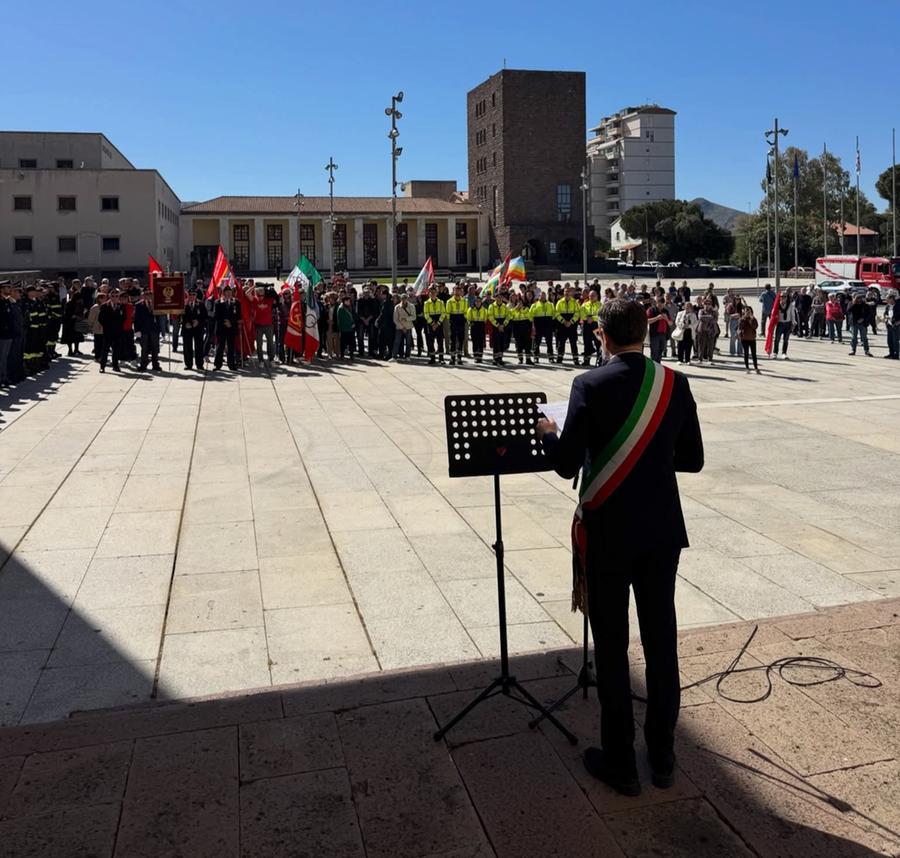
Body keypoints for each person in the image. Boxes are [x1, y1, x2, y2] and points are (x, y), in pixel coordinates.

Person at [536, 298, 704, 797]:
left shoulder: (588, 384)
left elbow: (566, 465)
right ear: (645, 332)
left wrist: (550, 433)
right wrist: (648, 459)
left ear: (601, 336)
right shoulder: (675, 383)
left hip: (609, 532)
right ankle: (663, 755)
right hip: (660, 532)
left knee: (612, 648)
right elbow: (691, 459)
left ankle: (620, 763)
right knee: (661, 644)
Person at [134, 290, 164, 372]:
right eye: (146, 294)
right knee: (144, 348)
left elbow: (160, 316)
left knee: (155, 347)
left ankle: (155, 364)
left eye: (150, 294)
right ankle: (143, 364)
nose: (148, 296)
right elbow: (136, 319)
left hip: (154, 329)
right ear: (143, 295)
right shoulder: (139, 305)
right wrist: (137, 331)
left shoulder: (156, 304)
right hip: (144, 329)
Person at [213, 285, 241, 370]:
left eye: (230, 292)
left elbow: (238, 315)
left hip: (231, 328)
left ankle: (231, 365)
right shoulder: (218, 302)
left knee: (231, 346)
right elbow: (216, 316)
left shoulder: (236, 302)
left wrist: (231, 323)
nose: (228, 294)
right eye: (226, 292)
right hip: (221, 328)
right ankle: (218, 365)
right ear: (223, 293)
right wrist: (225, 322)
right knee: (220, 347)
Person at [97, 290, 125, 373]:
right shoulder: (104, 306)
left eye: (116, 296)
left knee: (116, 350)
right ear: (110, 296)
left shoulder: (121, 306)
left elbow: (124, 317)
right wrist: (107, 326)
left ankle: (115, 366)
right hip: (108, 332)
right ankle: (102, 366)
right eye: (113, 296)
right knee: (105, 350)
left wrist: (118, 325)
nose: (115, 298)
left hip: (117, 331)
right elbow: (100, 319)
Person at [555, 286, 581, 365]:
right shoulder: (559, 302)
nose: (567, 293)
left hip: (572, 325)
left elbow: (577, 313)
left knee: (573, 343)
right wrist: (563, 321)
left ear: (571, 293)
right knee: (561, 342)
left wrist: (571, 321)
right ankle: (559, 358)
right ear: (563, 293)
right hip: (562, 325)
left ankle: (575, 359)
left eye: (568, 292)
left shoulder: (575, 302)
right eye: (565, 292)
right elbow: (556, 313)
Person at [182, 288, 207, 370]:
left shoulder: (201, 304)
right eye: (190, 295)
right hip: (187, 328)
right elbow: (180, 316)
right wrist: (185, 323)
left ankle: (199, 364)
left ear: (196, 295)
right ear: (188, 295)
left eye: (194, 295)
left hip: (198, 329)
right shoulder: (184, 304)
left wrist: (198, 321)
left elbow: (204, 316)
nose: (192, 296)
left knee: (199, 347)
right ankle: (188, 364)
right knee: (187, 347)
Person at [530, 291, 555, 364]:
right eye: (541, 296)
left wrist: (550, 323)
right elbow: (530, 316)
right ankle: (536, 357)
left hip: (548, 325)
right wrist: (533, 325)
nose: (543, 297)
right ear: (539, 296)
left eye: (544, 296)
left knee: (549, 342)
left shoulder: (550, 305)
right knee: (537, 342)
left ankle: (551, 358)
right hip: (538, 325)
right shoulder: (534, 305)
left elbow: (554, 314)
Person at [445, 285, 468, 366]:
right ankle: (452, 358)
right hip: (453, 321)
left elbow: (465, 312)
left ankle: (459, 357)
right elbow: (447, 313)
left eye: (459, 290)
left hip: (461, 321)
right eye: (456, 290)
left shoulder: (464, 301)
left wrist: (464, 319)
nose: (458, 292)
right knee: (453, 340)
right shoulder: (449, 301)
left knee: (461, 340)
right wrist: (451, 321)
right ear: (453, 291)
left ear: (461, 291)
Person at [423, 287, 446, 365]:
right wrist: (432, 323)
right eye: (431, 293)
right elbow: (426, 314)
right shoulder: (426, 303)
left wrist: (438, 323)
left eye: (434, 292)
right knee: (430, 342)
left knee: (440, 342)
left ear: (436, 293)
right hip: (431, 323)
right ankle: (432, 358)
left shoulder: (441, 302)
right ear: (429, 294)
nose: (433, 294)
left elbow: (443, 313)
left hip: (439, 322)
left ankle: (441, 358)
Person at [487, 291, 511, 366]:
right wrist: (497, 325)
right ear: (495, 298)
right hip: (495, 325)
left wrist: (503, 325)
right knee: (496, 342)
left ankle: (500, 358)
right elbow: (490, 316)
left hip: (503, 324)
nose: (499, 299)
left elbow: (508, 316)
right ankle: (495, 358)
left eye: (500, 297)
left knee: (502, 342)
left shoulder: (505, 306)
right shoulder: (492, 306)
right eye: (498, 297)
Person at [772, 295, 797, 359]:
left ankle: (784, 353)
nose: (783, 298)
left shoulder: (790, 305)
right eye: (782, 297)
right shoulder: (777, 305)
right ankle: (775, 352)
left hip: (787, 323)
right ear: (780, 298)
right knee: (777, 339)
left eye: (785, 297)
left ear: (786, 298)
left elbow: (792, 314)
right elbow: (773, 313)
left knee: (786, 339)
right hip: (780, 323)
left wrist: (793, 322)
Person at [392, 292, 416, 360]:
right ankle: (394, 356)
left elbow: (414, 317)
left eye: (405, 298)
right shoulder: (397, 307)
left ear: (407, 299)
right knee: (397, 342)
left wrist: (406, 318)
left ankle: (407, 356)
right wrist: (402, 327)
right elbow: (395, 319)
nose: (403, 300)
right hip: (400, 327)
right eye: (402, 298)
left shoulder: (411, 306)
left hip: (408, 327)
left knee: (408, 342)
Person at [581, 289, 602, 365]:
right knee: (587, 343)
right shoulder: (585, 304)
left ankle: (599, 361)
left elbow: (601, 316)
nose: (591, 297)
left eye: (593, 296)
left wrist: (592, 318)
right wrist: (587, 318)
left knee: (598, 343)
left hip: (596, 326)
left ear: (596, 296)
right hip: (587, 326)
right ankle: (586, 360)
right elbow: (582, 314)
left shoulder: (600, 305)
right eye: (590, 296)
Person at [646, 297, 670, 363]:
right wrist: (657, 318)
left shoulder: (665, 311)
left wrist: (666, 319)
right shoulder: (651, 310)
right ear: (656, 303)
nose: (660, 306)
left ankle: (658, 365)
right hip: (654, 334)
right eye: (659, 305)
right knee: (654, 352)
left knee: (661, 351)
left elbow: (670, 323)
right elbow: (647, 321)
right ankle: (653, 366)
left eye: (662, 305)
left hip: (664, 334)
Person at [738, 306, 760, 373]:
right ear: (744, 312)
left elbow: (755, 326)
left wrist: (752, 319)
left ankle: (756, 368)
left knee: (754, 354)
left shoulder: (753, 319)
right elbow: (740, 327)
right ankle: (747, 368)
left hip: (752, 339)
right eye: (746, 311)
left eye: (749, 311)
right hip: (744, 339)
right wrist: (744, 319)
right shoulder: (741, 319)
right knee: (746, 354)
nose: (747, 312)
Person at [466, 296, 488, 363]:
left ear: (481, 302)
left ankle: (480, 357)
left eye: (479, 301)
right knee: (475, 342)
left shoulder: (484, 310)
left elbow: (485, 318)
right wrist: (471, 323)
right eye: (476, 301)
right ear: (474, 302)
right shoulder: (471, 309)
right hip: (474, 326)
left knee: (480, 342)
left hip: (481, 326)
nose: (478, 303)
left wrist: (483, 322)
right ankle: (475, 356)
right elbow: (468, 318)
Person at [337, 295, 356, 360]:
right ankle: (342, 355)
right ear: (344, 301)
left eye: (349, 301)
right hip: (344, 329)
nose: (349, 302)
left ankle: (351, 355)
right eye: (347, 301)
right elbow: (341, 320)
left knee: (351, 343)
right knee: (343, 343)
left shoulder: (349, 307)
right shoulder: (341, 308)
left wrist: (353, 323)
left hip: (350, 328)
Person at [884, 293, 900, 359]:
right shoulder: (888, 306)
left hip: (896, 325)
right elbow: (885, 313)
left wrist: (899, 322)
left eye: (887, 299)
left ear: (891, 299)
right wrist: (886, 316)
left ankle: (896, 354)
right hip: (889, 325)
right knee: (889, 341)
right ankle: (891, 353)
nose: (886, 300)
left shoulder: (898, 305)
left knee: (895, 341)